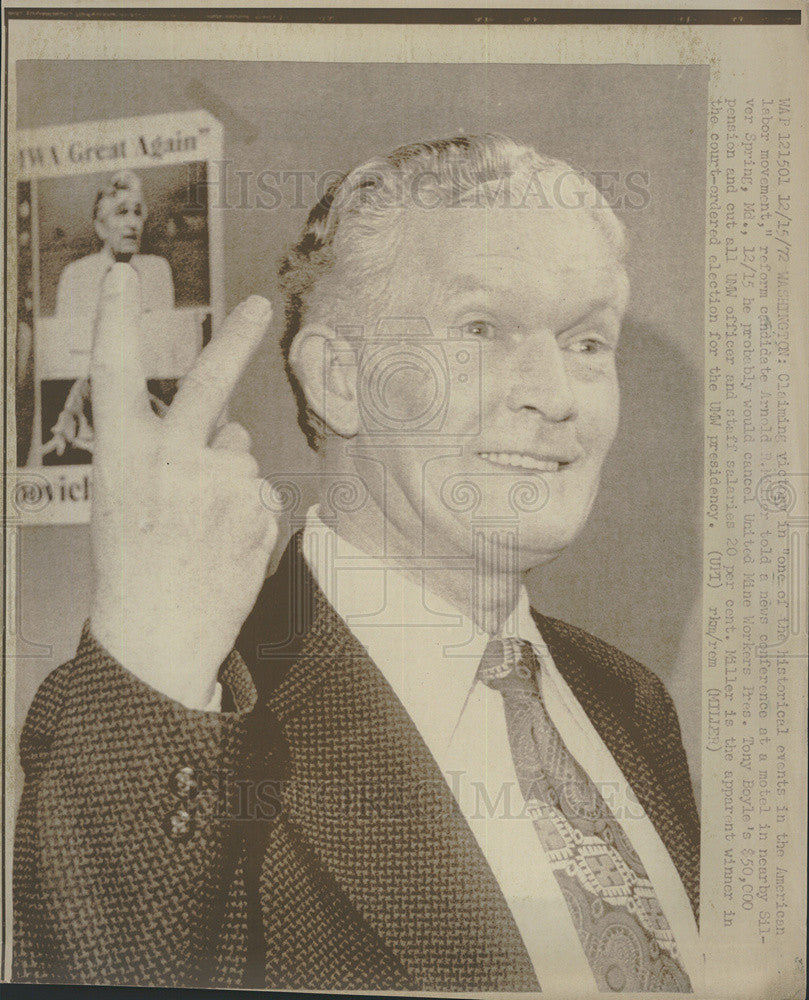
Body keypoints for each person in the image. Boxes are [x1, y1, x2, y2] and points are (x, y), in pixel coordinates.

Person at [14, 135, 700, 992]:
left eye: (588, 343)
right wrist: (148, 652)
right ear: (339, 381)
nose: (556, 396)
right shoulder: (181, 707)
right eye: (481, 328)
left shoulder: (629, 700)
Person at [46, 170, 175, 457]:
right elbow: (63, 359)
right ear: (101, 227)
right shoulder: (76, 275)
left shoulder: (157, 270)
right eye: (121, 212)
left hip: (148, 405)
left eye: (137, 212)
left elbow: (165, 350)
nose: (132, 223)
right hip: (86, 408)